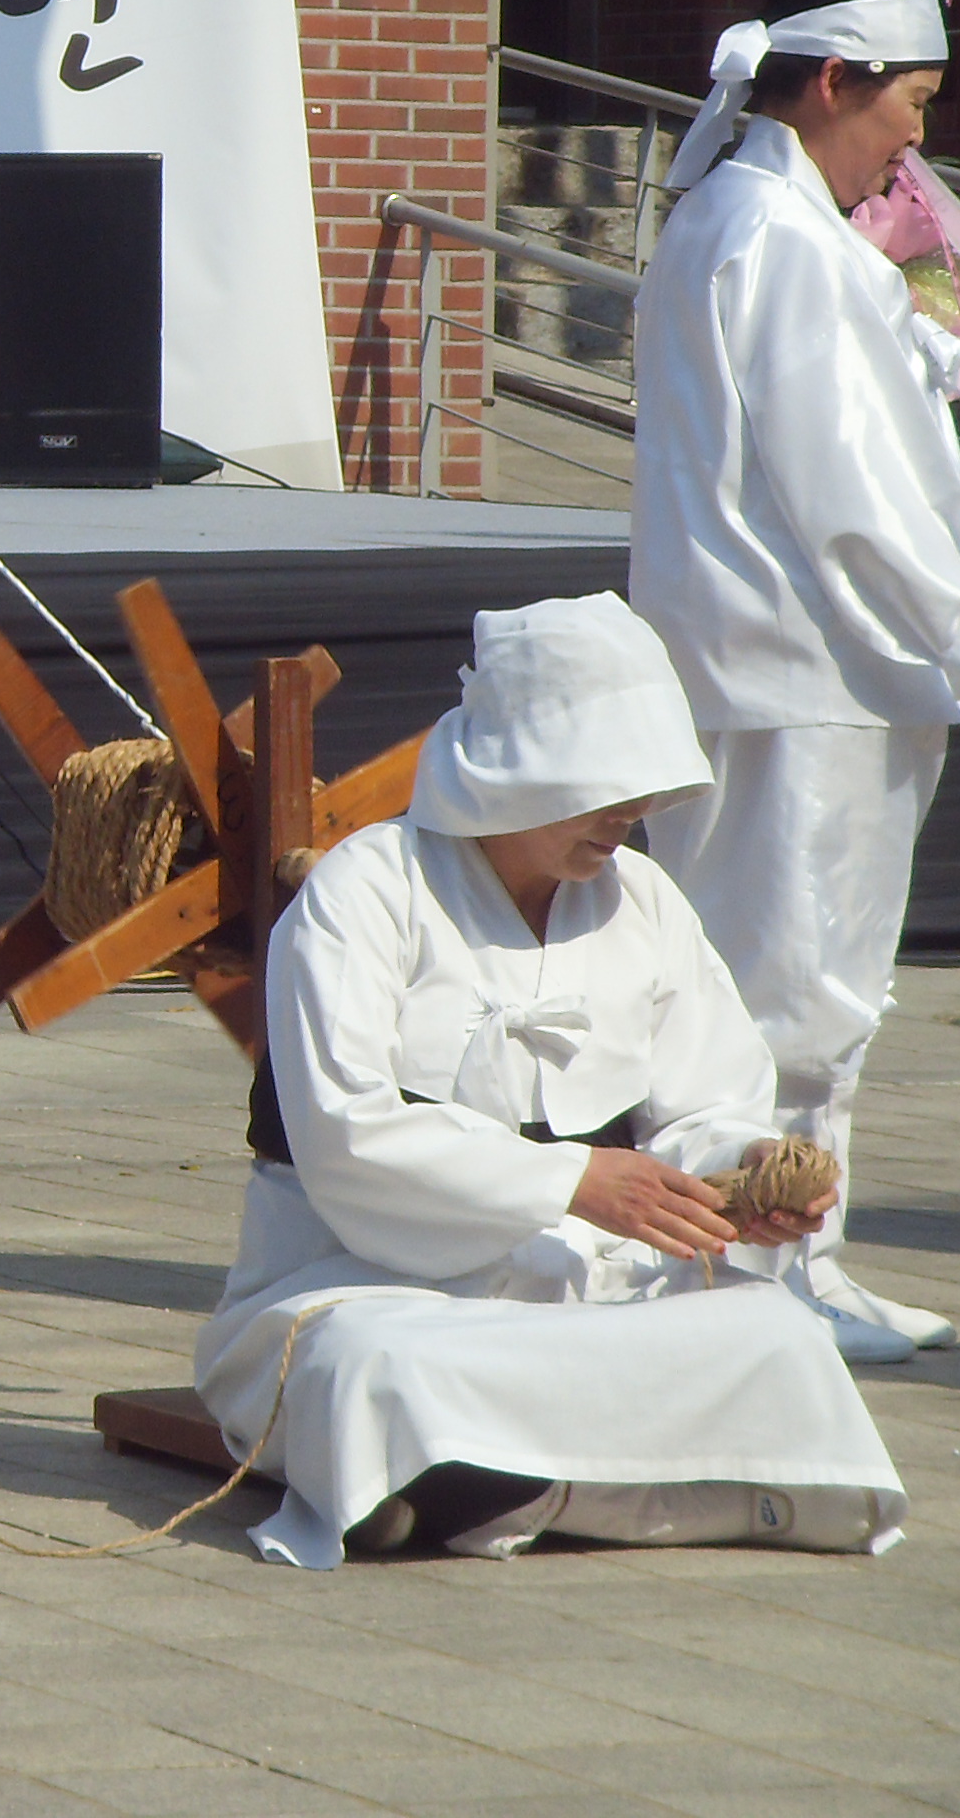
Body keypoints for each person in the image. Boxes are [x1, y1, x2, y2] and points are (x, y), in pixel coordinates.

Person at [195, 594, 909, 1571]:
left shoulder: (644, 901)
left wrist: (741, 1175)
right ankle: (671, 1495)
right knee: (376, 1371)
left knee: (777, 1333)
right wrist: (571, 1182)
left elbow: (706, 1104)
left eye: (645, 785)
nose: (633, 812)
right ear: (517, 763)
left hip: (582, 1286)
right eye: (605, 781)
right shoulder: (364, 891)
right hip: (365, 1283)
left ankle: (498, 1494)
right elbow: (344, 1134)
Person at [632, 0, 960, 1366]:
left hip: (767, 664)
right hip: (802, 667)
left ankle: (776, 1256)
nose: (912, 137)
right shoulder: (773, 238)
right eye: (909, 102)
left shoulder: (737, 225)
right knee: (790, 989)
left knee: (773, 982)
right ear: (836, 80)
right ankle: (763, 1271)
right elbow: (848, 486)